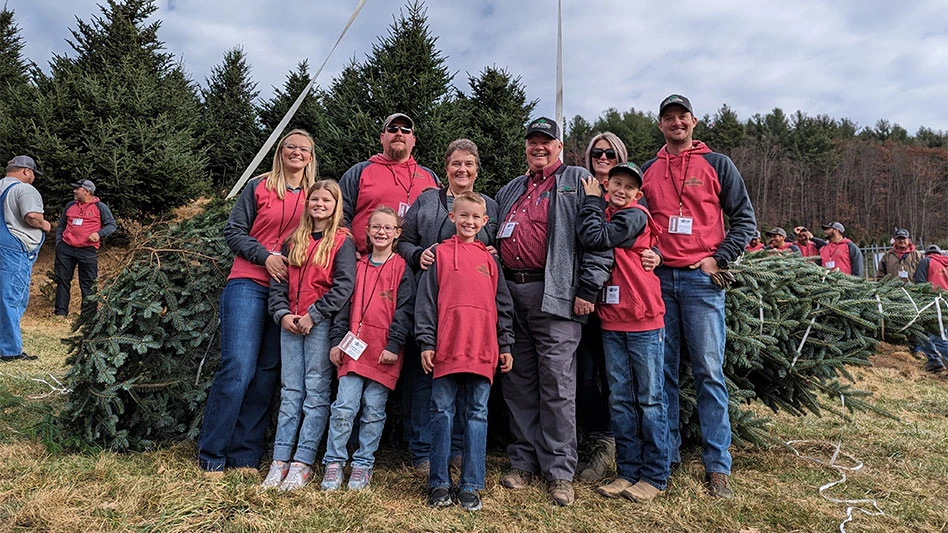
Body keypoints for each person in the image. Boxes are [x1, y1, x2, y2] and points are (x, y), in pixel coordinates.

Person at [640, 94, 756, 499]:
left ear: (694, 121)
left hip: (700, 282)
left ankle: (718, 466)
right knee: (664, 373)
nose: (676, 123)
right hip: (659, 283)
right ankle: (666, 459)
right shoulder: (648, 170)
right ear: (660, 125)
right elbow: (635, 221)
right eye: (668, 118)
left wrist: (719, 258)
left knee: (708, 371)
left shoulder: (717, 164)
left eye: (682, 116)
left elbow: (745, 220)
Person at [495, 116, 613, 506]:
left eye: (547, 141)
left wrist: (589, 287)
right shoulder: (511, 188)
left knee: (559, 385)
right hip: (513, 292)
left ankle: (560, 471)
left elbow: (598, 240)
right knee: (519, 381)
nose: (539, 147)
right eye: (533, 141)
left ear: (559, 146)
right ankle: (523, 461)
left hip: (557, 295)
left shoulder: (578, 180)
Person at [198, 129, 317, 474]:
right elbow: (234, 232)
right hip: (249, 282)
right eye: (290, 147)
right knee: (238, 367)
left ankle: (244, 454)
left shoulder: (316, 195)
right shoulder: (259, 187)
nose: (296, 152)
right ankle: (212, 452)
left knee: (266, 374)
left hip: (289, 292)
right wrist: (265, 256)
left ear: (310, 157)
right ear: (280, 152)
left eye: (303, 149)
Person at [398, 138, 498, 475]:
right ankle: (424, 451)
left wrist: (493, 254)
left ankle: (456, 450)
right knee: (426, 376)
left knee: (464, 378)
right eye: (456, 163)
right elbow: (404, 240)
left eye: (469, 164)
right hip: (431, 301)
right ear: (446, 167)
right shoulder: (426, 201)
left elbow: (495, 247)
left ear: (476, 169)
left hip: (471, 313)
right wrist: (417, 254)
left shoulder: (490, 205)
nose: (462, 169)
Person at [415, 191, 515, 511]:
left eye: (475, 217)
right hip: (446, 348)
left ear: (485, 222)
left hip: (482, 349)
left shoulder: (490, 259)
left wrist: (506, 343)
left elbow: (503, 304)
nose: (469, 221)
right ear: (452, 218)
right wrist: (427, 342)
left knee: (477, 415)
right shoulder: (440, 255)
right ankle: (439, 483)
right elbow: (426, 303)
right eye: (463, 216)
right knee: (442, 414)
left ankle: (471, 484)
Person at [578, 162, 671, 503]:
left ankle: (655, 475)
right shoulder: (607, 213)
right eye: (615, 183)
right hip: (612, 320)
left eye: (628, 187)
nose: (620, 189)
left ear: (638, 194)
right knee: (620, 398)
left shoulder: (633, 216)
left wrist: (589, 202)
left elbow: (595, 238)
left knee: (649, 399)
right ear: (608, 185)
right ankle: (628, 471)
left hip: (643, 319)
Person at [262, 179, 356, 491]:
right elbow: (278, 283)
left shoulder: (342, 241)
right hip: (290, 324)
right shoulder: (293, 241)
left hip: (319, 324)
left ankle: (303, 462)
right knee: (291, 392)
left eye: (326, 201)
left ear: (335, 206)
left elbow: (343, 286)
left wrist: (314, 315)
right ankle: (280, 460)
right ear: (308, 204)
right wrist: (283, 314)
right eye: (315, 199)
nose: (319, 204)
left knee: (316, 393)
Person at [320, 206, 415, 491]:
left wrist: (394, 344)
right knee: (344, 407)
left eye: (388, 228)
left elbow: (405, 310)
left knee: (373, 410)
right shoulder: (356, 266)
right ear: (368, 231)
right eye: (376, 227)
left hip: (384, 352)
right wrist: (337, 340)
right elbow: (342, 306)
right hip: (352, 350)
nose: (382, 232)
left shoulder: (401, 268)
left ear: (397, 233)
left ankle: (363, 464)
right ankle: (334, 462)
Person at [340, 113, 440, 256]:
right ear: (382, 137)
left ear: (413, 140)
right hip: (365, 262)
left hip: (415, 265)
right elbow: (340, 217)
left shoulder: (430, 177)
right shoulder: (359, 172)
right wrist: (348, 250)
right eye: (393, 129)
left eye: (405, 130)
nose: (399, 133)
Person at [0, 156, 50, 362]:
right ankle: (10, 351)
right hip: (12, 250)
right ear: (26, 171)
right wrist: (46, 225)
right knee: (11, 298)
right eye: (33, 175)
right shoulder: (24, 189)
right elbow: (32, 216)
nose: (33, 179)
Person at [53, 179, 117, 317]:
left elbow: (112, 225)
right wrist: (59, 242)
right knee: (62, 280)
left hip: (88, 250)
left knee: (88, 283)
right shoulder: (70, 205)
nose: (74, 191)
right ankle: (60, 313)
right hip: (66, 249)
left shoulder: (100, 207)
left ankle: (88, 315)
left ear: (86, 191)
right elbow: (61, 225)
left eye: (77, 189)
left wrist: (99, 234)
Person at [912, 244, 948, 373]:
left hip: (933, 304)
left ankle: (937, 360)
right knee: (927, 334)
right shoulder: (946, 263)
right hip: (946, 303)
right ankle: (934, 361)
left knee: (937, 337)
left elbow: (920, 284)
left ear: (926, 254)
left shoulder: (926, 261)